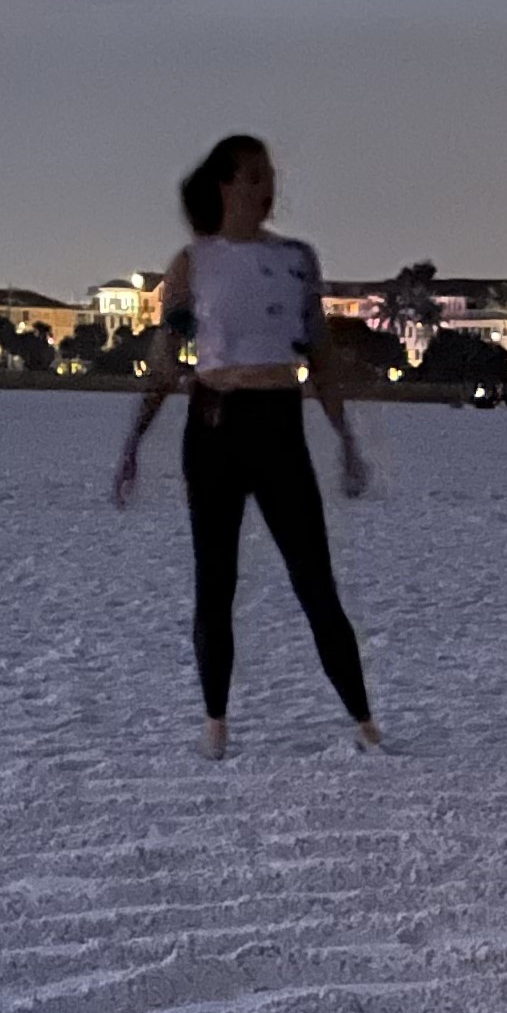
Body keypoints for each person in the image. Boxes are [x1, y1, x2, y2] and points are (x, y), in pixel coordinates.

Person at [113, 134, 378, 759]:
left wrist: (346, 439)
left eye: (271, 176)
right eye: (254, 177)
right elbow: (165, 358)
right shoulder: (193, 263)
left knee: (314, 580)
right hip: (213, 424)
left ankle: (365, 722)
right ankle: (216, 725)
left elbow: (322, 357)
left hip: (278, 422)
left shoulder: (296, 260)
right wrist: (135, 441)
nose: (268, 188)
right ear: (225, 185)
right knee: (216, 582)